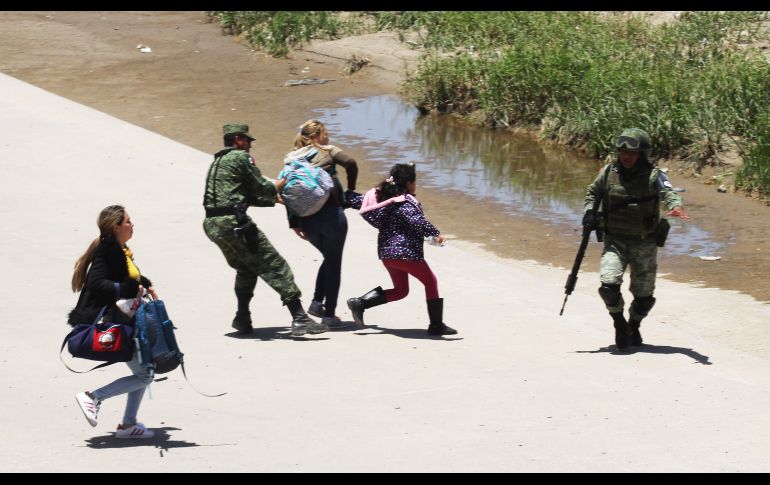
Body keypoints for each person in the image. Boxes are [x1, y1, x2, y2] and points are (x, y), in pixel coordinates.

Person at [202, 122, 326, 337]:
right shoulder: (240, 157)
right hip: (235, 223)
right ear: (238, 140)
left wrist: (273, 199)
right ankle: (299, 317)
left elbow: (244, 195)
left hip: (213, 225)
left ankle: (242, 316)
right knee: (275, 265)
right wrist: (288, 179)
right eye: (247, 140)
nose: (250, 145)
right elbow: (262, 186)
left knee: (247, 268)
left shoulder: (218, 162)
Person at [583, 128, 689, 350]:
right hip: (615, 241)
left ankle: (634, 323)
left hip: (645, 243)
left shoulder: (654, 175)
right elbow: (593, 193)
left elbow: (668, 193)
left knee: (645, 297)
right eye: (622, 152)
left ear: (642, 154)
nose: (627, 157)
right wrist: (589, 212)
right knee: (608, 286)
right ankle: (619, 323)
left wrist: (676, 207)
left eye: (632, 153)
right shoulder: (608, 172)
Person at [68, 205, 158, 438]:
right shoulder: (108, 250)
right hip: (108, 321)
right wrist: (129, 288)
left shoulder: (120, 249)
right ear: (117, 226)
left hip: (125, 321)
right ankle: (93, 397)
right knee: (145, 374)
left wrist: (144, 284)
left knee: (145, 369)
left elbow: (128, 276)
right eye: (128, 221)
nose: (132, 224)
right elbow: (98, 283)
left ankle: (129, 425)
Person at [346, 162, 457, 336]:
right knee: (430, 281)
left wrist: (342, 198)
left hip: (387, 255)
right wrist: (435, 234)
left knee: (401, 291)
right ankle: (436, 325)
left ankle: (360, 303)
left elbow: (359, 201)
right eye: (414, 181)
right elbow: (417, 221)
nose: (415, 185)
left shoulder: (383, 199)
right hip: (405, 254)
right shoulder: (403, 202)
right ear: (408, 183)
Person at [285, 119, 359, 328]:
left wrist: (295, 223)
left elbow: (289, 191)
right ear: (317, 135)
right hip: (331, 216)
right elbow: (351, 163)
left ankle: (317, 303)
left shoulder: (292, 158)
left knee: (329, 257)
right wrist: (351, 189)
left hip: (307, 220)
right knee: (334, 264)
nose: (328, 137)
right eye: (325, 133)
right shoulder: (327, 150)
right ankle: (329, 314)